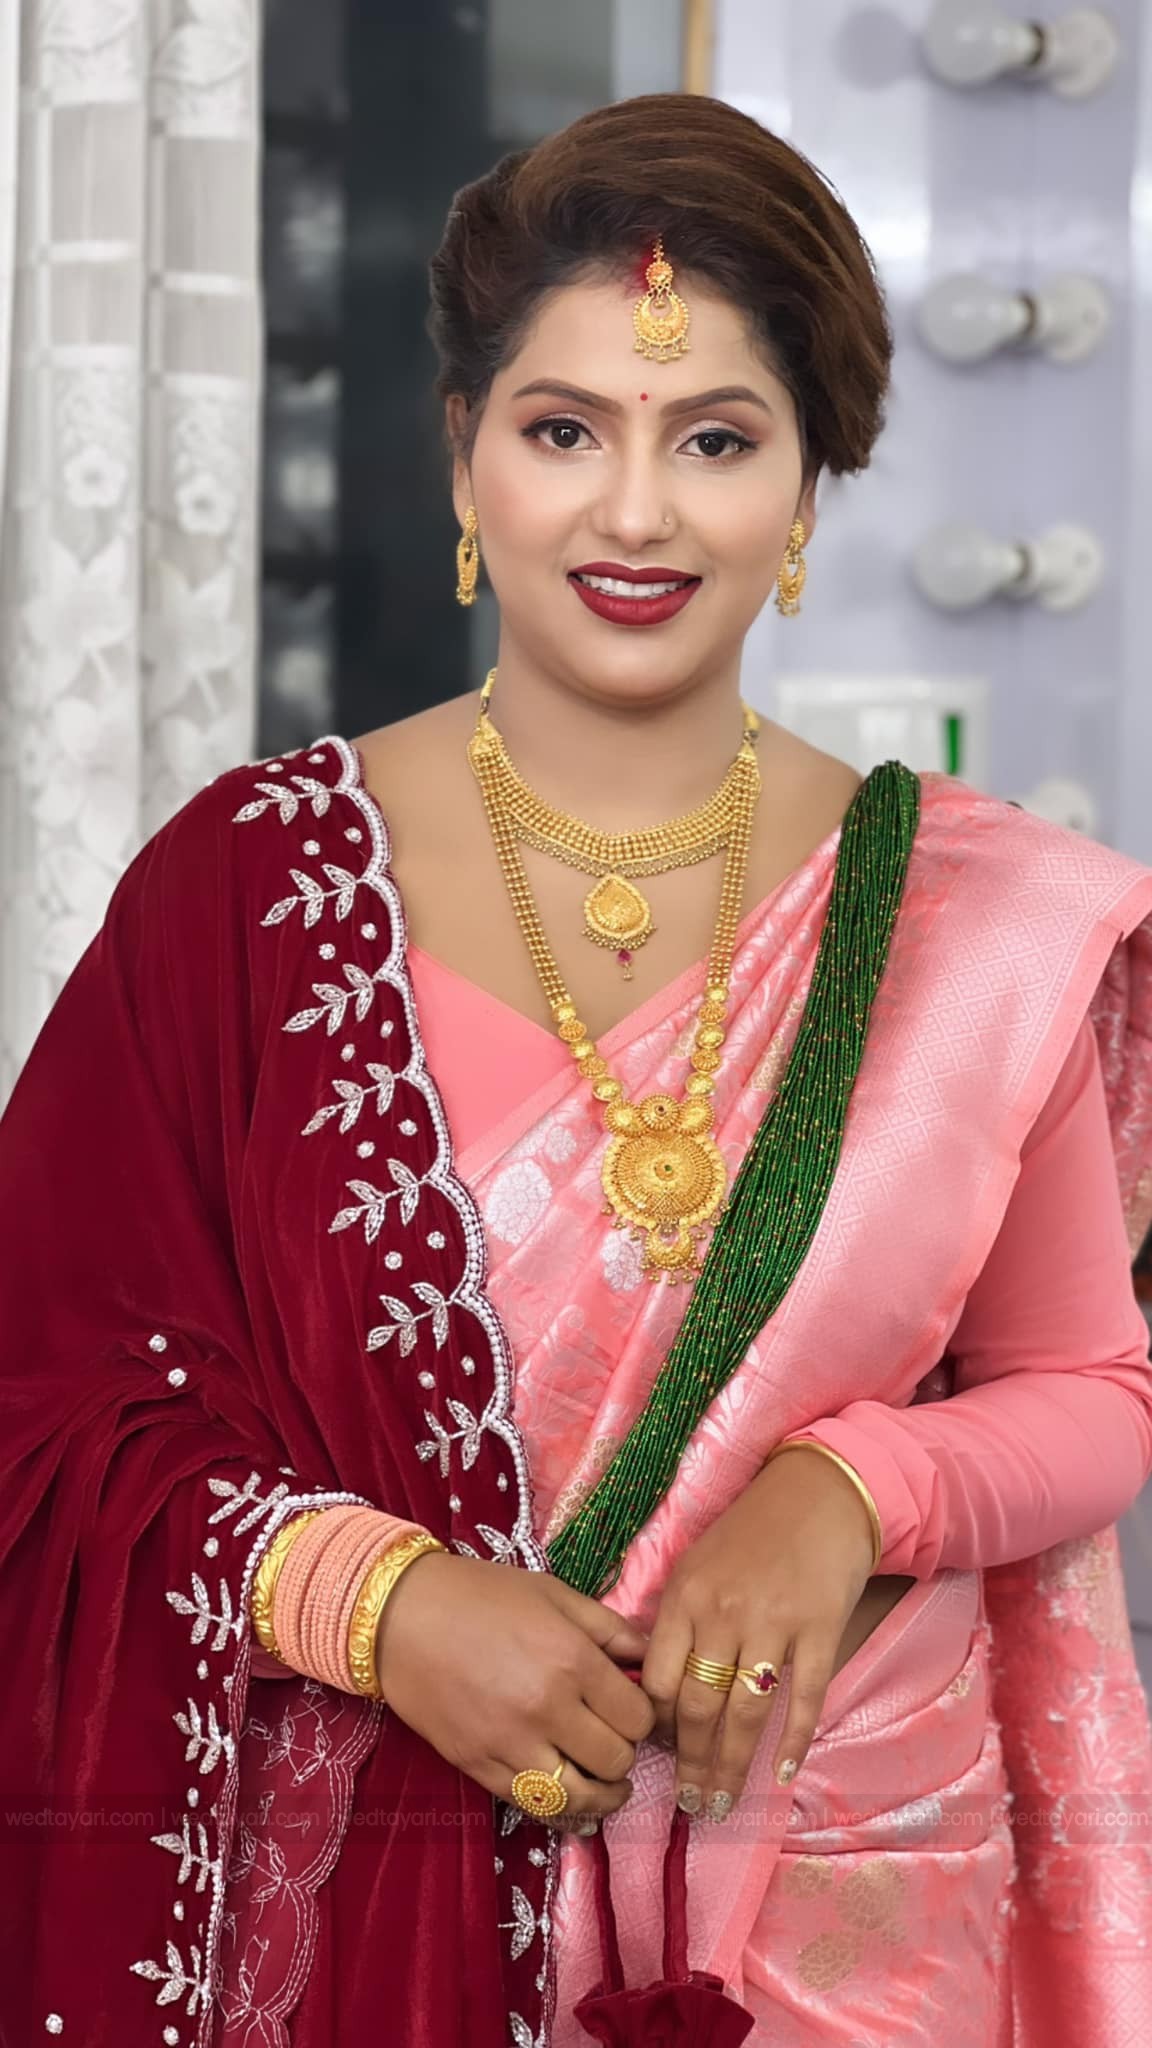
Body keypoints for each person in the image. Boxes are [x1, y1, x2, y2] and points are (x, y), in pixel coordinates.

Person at [2, 91, 1152, 2048]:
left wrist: (851, 1485)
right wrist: (380, 1605)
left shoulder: (964, 914)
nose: (635, 514)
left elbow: (1092, 1390)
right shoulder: (244, 899)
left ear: (808, 489)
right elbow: (42, 1406)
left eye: (716, 439)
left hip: (839, 1899)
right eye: (563, 432)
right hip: (358, 1913)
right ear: (464, 452)